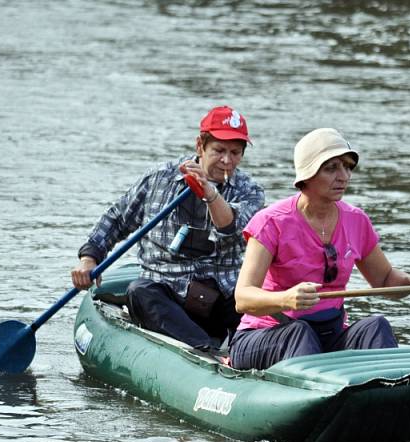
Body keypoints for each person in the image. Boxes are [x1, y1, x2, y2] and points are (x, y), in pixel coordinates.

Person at [229, 128, 410, 370]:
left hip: (329, 336)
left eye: (348, 167)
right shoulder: (271, 222)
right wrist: (285, 299)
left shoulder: (357, 220)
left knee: (376, 326)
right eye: (331, 168)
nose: (344, 176)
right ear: (307, 175)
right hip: (266, 334)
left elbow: (384, 281)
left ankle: (389, 393)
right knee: (299, 333)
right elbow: (243, 299)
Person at [71, 105, 265, 351]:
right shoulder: (159, 178)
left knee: (255, 303)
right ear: (200, 146)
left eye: (235, 153)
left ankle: (249, 348)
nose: (227, 161)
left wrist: (210, 194)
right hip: (166, 294)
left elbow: (231, 227)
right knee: (139, 291)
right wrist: (89, 259)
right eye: (219, 150)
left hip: (221, 295)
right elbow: (117, 219)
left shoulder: (251, 191)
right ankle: (205, 350)